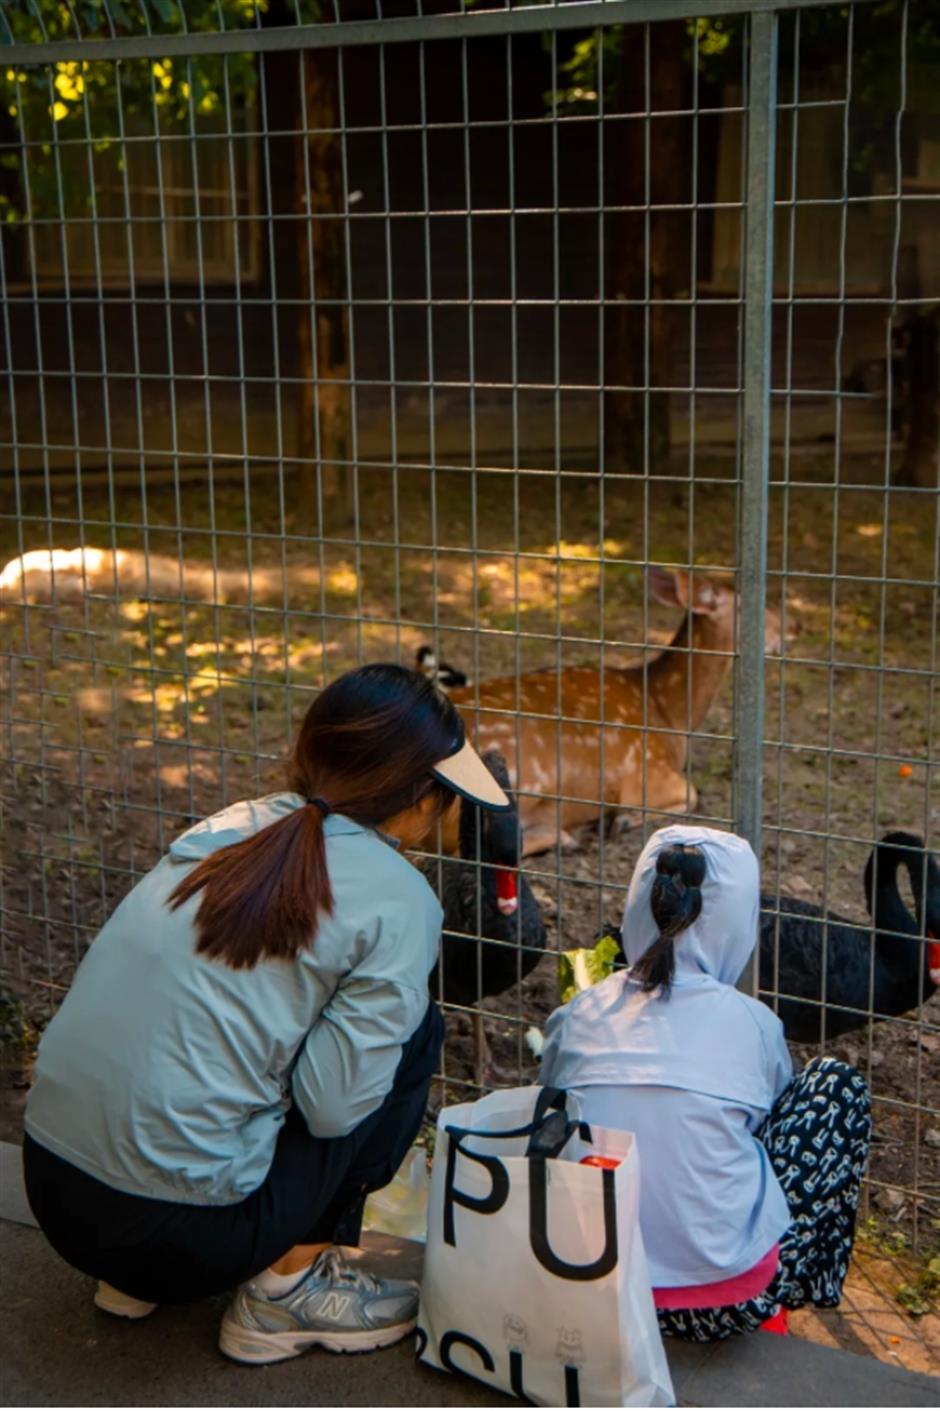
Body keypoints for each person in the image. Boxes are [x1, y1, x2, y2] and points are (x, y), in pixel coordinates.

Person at [23, 663, 510, 1364]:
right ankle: (286, 1291)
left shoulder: (227, 827)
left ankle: (128, 1284)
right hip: (179, 1235)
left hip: (55, 1191)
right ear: (419, 795)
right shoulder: (400, 899)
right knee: (413, 1035)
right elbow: (336, 1110)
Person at [539, 824, 872, 1342]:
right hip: (725, 1303)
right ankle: (791, 1295)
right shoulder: (755, 1024)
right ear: (739, 923)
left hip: (583, 1280)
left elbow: (551, 1104)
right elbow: (767, 1123)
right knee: (835, 1087)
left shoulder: (580, 1010)